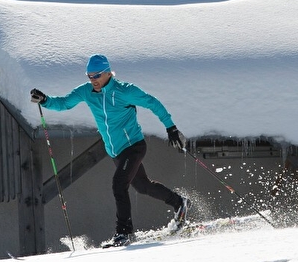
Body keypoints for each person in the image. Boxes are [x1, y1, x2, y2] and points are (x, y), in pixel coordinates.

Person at [32, 54, 188, 247]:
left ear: (107, 73)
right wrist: (45, 100)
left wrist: (171, 128)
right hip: (116, 152)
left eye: (96, 75)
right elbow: (64, 103)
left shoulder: (125, 91)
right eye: (89, 76)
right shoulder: (86, 91)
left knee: (118, 185)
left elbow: (152, 102)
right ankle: (179, 202)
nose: (93, 80)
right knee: (143, 186)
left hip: (133, 146)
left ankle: (123, 233)